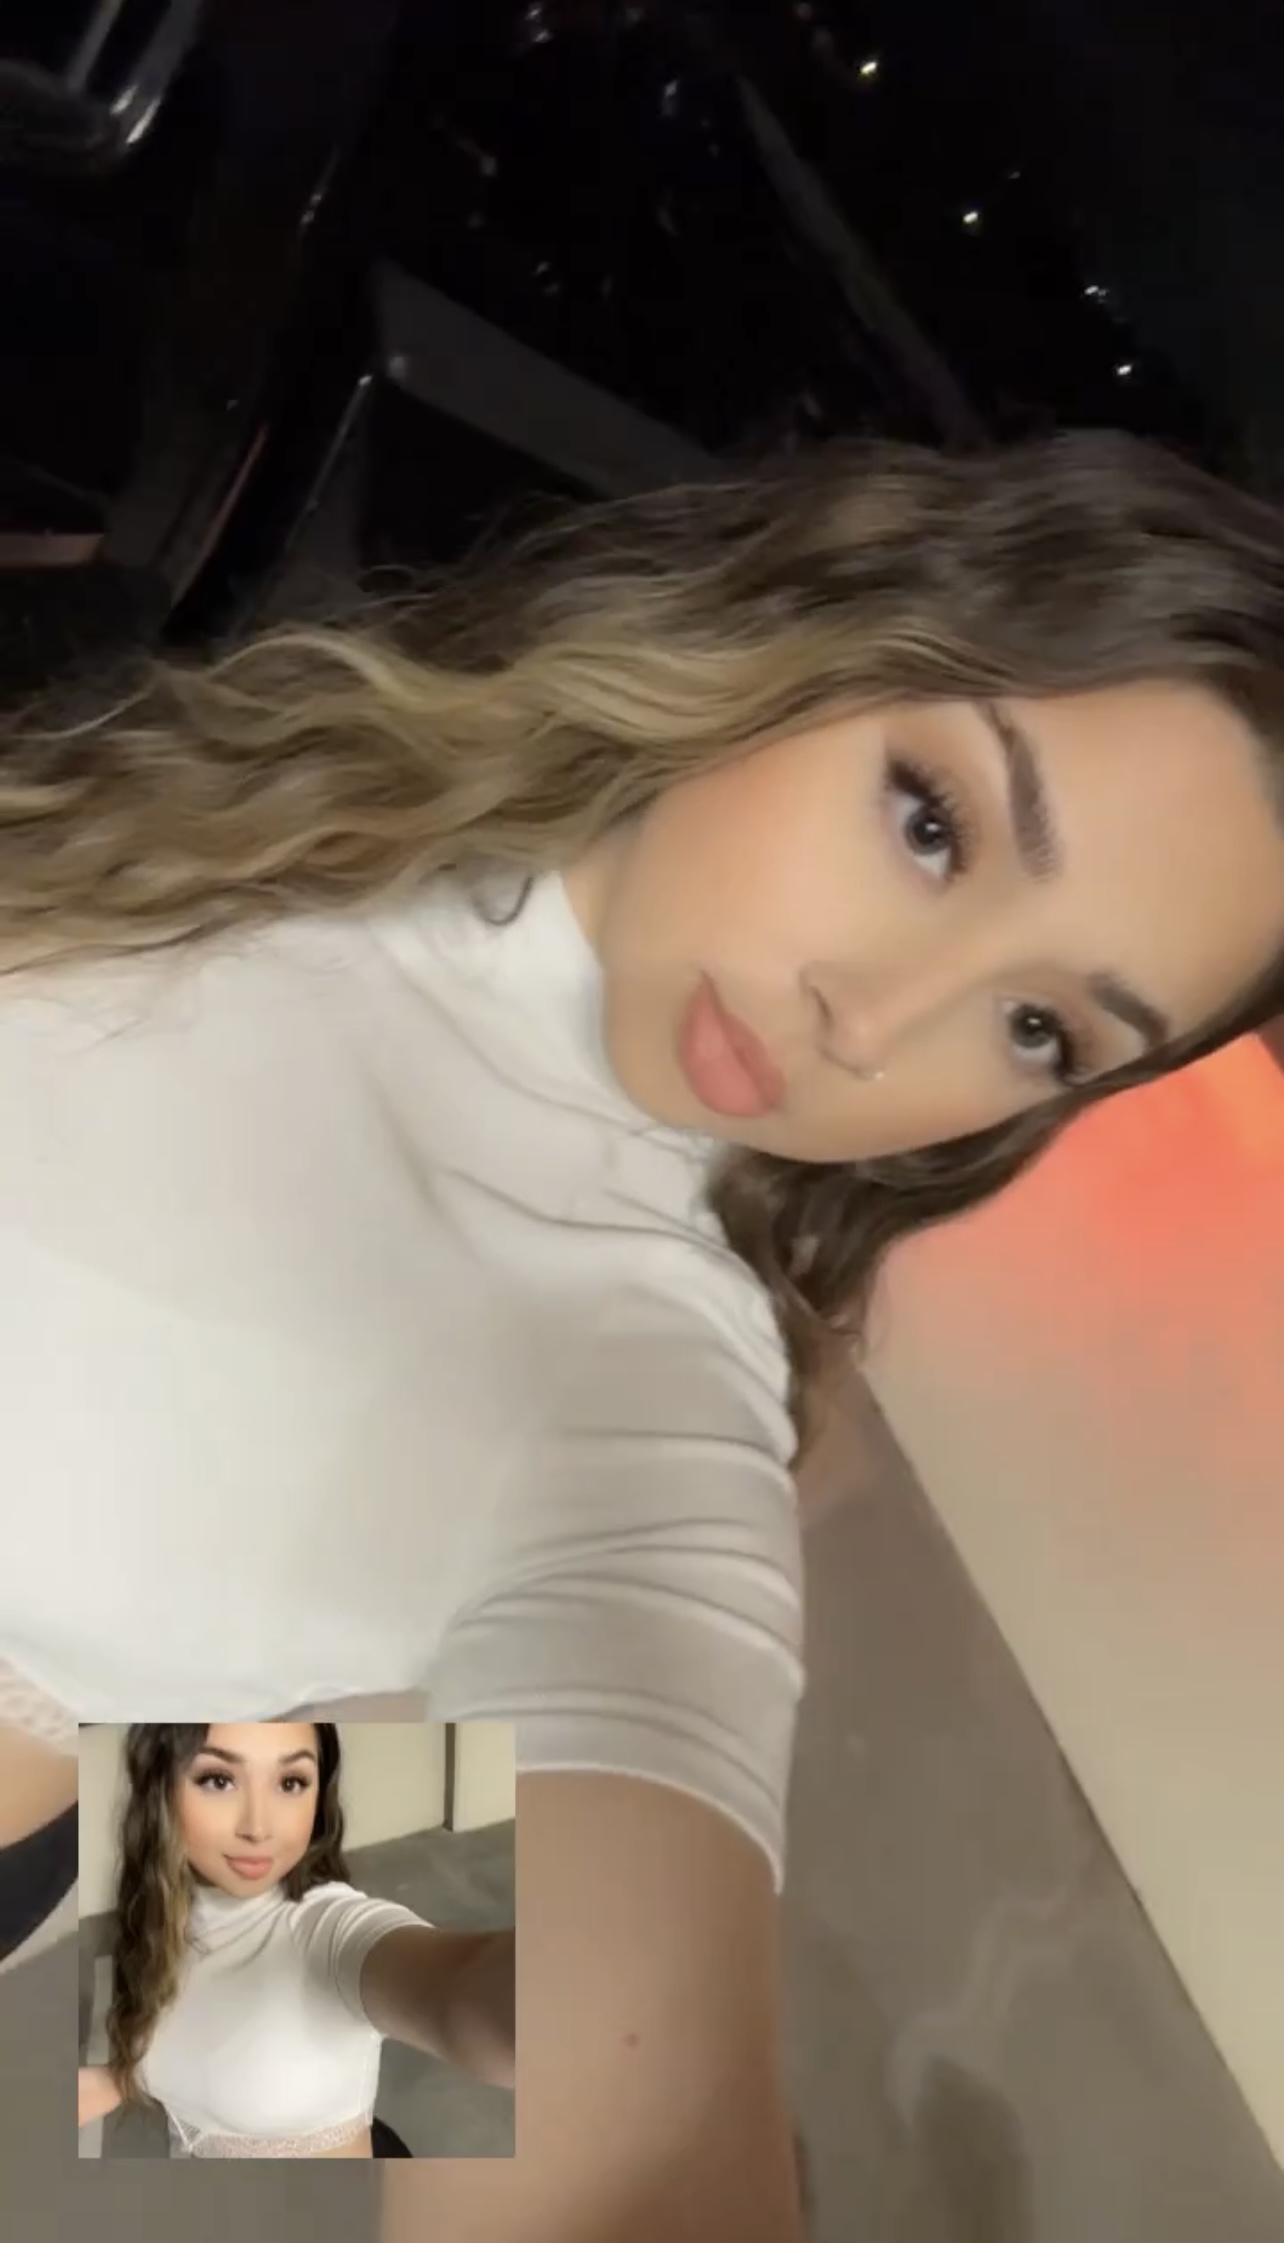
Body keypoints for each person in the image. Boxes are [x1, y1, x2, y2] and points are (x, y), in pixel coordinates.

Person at [3, 428, 1284, 2237]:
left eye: (1037, 1030)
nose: (873, 1023)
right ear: (825, 603)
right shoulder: (249, 738)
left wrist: (612, 2082)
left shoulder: (646, 1384)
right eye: (930, 824)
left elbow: (647, 2154)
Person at [76, 1721, 514, 2157]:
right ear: (159, 1787)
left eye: (290, 1782)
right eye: (219, 1780)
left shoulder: (328, 1930)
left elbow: (466, 1993)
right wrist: (118, 2080)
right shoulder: (160, 1917)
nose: (258, 1828)